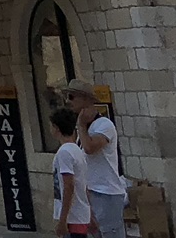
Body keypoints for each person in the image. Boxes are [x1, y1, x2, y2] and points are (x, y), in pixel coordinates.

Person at [65, 80, 125, 238]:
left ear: (85, 99)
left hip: (106, 193)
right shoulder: (84, 129)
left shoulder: (104, 125)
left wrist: (81, 126)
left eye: (71, 97)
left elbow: (90, 148)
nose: (67, 101)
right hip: (90, 193)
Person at [51, 106, 92, 237]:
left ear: (56, 128)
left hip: (72, 218)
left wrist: (63, 220)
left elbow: (69, 186)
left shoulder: (64, 152)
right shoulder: (76, 150)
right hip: (80, 215)